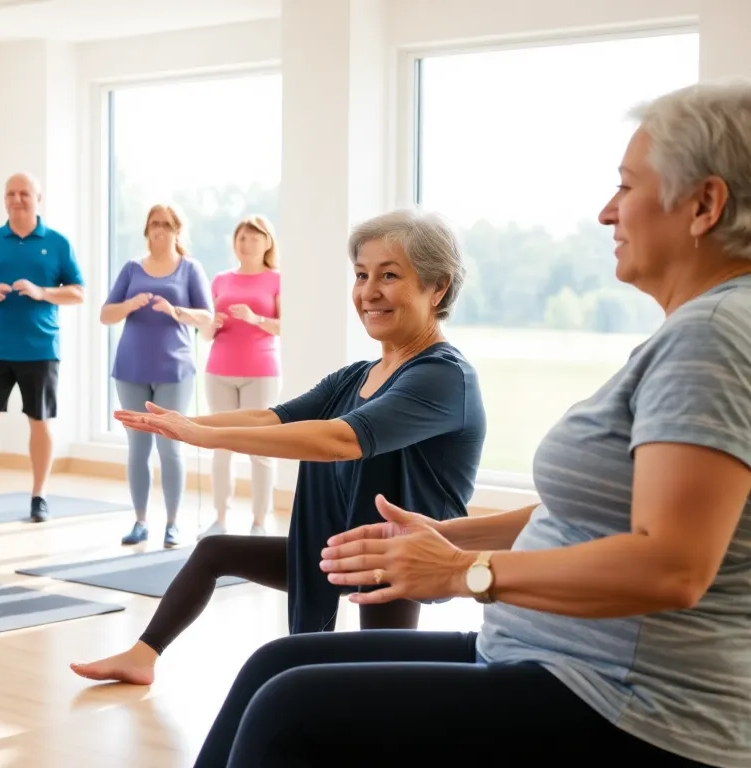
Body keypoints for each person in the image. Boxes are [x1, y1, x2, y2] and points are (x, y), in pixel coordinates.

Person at [192, 82, 751, 768]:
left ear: (705, 205)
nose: (607, 211)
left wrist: (465, 572)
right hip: (548, 657)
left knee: (289, 710)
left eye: (627, 186)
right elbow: (606, 516)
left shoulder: (712, 335)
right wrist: (446, 536)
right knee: (277, 664)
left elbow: (672, 566)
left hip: (626, 701)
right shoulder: (700, 329)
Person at [70, 207, 486, 687]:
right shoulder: (355, 376)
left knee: (376, 680)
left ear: (437, 288)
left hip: (406, 552)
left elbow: (342, 439)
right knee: (214, 551)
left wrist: (208, 437)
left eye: (388, 276)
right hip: (345, 546)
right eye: (361, 275)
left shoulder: (442, 376)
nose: (369, 291)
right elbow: (272, 417)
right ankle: (142, 656)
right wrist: (185, 424)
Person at [0, 172, 84, 523]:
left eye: (24, 193)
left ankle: (39, 495)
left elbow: (77, 292)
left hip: (40, 349)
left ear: (38, 199)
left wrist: (42, 292)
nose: (17, 199)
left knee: (40, 422)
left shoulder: (57, 243)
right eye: (11, 193)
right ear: (4, 199)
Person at [101, 203, 213, 548]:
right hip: (131, 369)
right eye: (154, 224)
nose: (159, 229)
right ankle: (140, 521)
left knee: (170, 448)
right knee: (138, 448)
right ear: (146, 230)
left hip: (174, 370)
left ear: (177, 230)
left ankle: (173, 523)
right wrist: (130, 305)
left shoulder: (190, 269)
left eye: (166, 224)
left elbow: (207, 317)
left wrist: (175, 310)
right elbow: (106, 314)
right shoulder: (131, 269)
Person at [196, 215, 282, 540]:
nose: (246, 244)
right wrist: (211, 325)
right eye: (241, 238)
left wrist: (255, 318)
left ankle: (259, 522)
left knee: (260, 449)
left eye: (254, 238)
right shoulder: (220, 279)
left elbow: (285, 326)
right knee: (221, 447)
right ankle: (219, 519)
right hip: (219, 370)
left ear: (267, 242)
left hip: (261, 373)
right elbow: (205, 334)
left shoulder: (276, 279)